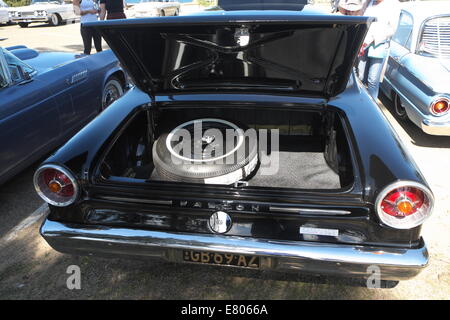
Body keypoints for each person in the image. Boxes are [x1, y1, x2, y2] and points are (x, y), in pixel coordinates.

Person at [358, 0, 400, 100]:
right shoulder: (367, 2)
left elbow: (392, 29)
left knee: (372, 80)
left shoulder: (394, 4)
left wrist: (373, 37)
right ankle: (360, 101)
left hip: (379, 45)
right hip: (363, 43)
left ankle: (372, 106)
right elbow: (361, 19)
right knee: (360, 77)